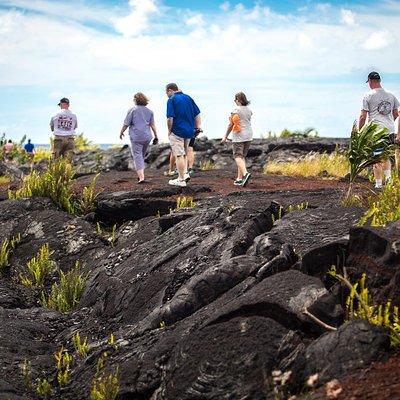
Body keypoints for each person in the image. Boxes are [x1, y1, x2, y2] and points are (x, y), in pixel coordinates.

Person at [358, 72, 399, 188]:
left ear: (370, 81)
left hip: (376, 131)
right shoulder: (391, 95)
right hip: (390, 130)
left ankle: (378, 184)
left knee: (376, 157)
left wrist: (360, 131)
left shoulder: (368, 95)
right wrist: (390, 123)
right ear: (380, 81)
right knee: (386, 155)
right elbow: (396, 114)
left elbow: (362, 116)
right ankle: (389, 180)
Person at [165, 83, 202, 187]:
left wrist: (169, 130)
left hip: (177, 131)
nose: (166, 95)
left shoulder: (171, 100)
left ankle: (181, 180)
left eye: (166, 92)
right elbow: (197, 113)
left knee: (179, 155)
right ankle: (185, 174)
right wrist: (198, 127)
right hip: (189, 131)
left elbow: (170, 118)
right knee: (184, 153)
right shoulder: (188, 98)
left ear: (169, 90)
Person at [120, 92, 158, 183]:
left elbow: (126, 124)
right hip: (147, 137)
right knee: (141, 156)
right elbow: (153, 125)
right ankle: (141, 175)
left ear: (135, 100)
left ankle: (141, 177)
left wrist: (121, 132)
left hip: (136, 137)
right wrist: (156, 136)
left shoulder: (132, 110)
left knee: (137, 156)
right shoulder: (150, 111)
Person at [221, 92, 253, 186]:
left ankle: (245, 174)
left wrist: (225, 136)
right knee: (242, 157)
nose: (234, 101)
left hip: (239, 136)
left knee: (237, 156)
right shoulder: (249, 110)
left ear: (238, 100)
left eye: (235, 100)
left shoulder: (236, 110)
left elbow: (231, 124)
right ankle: (239, 179)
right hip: (249, 135)